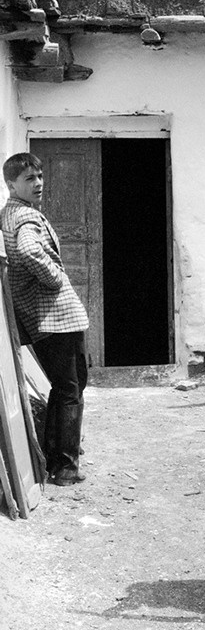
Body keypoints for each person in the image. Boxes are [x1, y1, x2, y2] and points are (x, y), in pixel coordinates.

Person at [0, 152, 89, 486]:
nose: (38, 183)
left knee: (65, 387)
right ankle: (65, 467)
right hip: (55, 316)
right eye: (29, 179)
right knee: (70, 389)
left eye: (39, 176)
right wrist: (55, 277)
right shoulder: (25, 217)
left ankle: (54, 458)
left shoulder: (9, 213)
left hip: (45, 318)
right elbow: (28, 251)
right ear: (11, 184)